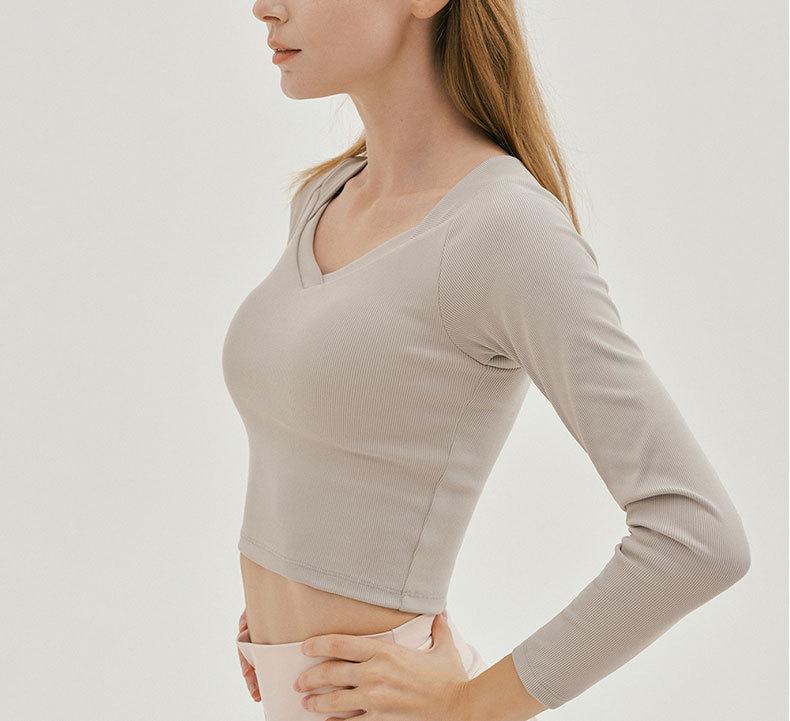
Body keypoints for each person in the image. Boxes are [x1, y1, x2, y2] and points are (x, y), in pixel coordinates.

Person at [222, 2, 752, 719]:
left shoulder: (505, 229)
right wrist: (277, 611)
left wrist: (469, 705)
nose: (264, 5)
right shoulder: (328, 196)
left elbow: (700, 536)